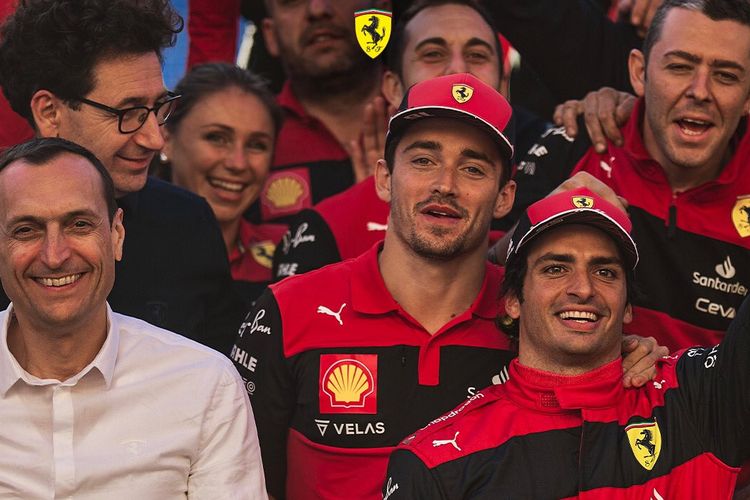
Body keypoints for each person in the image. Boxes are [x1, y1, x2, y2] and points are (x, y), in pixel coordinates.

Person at [232, 73, 665, 500]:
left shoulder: (539, 315)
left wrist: (623, 354)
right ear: (385, 178)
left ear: (505, 197)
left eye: (473, 168)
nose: (446, 184)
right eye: (424, 160)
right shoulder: (288, 312)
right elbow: (236, 484)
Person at [384, 186, 749, 499]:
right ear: (512, 300)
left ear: (628, 307)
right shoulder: (434, 465)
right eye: (555, 269)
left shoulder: (696, 395)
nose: (584, 289)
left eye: (605, 272)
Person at [0, 138, 267, 499]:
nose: (54, 255)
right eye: (26, 230)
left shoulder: (204, 384)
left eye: (79, 224)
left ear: (117, 235)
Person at [497, 0, 750, 351]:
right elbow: (479, 287)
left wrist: (669, 375)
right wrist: (537, 224)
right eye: (679, 67)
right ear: (639, 73)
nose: (700, 91)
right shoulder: (576, 144)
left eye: (726, 76)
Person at [0, 0, 246, 354]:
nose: (154, 139)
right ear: (50, 113)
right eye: (128, 113)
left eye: (158, 108)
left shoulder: (188, 224)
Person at [271, 0, 549, 280]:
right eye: (433, 54)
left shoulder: (549, 164)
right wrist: (368, 213)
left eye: (477, 55)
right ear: (392, 87)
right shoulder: (327, 225)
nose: (458, 70)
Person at [251, 0, 389, 224]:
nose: (318, 10)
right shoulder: (247, 138)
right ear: (271, 34)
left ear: (383, 12)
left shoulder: (433, 119)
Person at [160, 62, 287, 302]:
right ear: (166, 139)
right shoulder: (120, 249)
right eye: (217, 138)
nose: (238, 163)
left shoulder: (290, 251)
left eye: (257, 145)